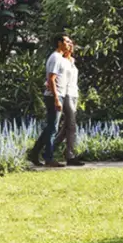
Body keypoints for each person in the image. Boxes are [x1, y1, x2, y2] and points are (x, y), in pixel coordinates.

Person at [27, 34, 73, 167]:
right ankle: (48, 158)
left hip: (60, 94)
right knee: (52, 128)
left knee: (51, 127)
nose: (69, 43)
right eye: (66, 41)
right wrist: (56, 99)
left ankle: (34, 153)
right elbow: (51, 79)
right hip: (54, 96)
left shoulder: (62, 58)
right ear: (59, 43)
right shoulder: (55, 58)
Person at [52, 36, 85, 166]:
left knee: (66, 127)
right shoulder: (62, 61)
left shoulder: (72, 61)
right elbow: (57, 78)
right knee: (71, 126)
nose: (71, 45)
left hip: (74, 94)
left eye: (72, 43)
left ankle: (50, 149)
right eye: (68, 43)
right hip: (66, 95)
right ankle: (70, 156)